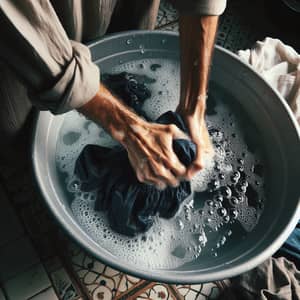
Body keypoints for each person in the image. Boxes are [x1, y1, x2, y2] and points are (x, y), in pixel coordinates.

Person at [0, 0, 226, 189]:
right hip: (21, 36)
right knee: (24, 134)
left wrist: (193, 104)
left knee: (123, 42)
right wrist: (130, 129)